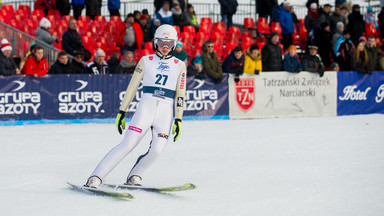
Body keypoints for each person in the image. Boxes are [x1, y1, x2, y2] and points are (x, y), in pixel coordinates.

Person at [85, 24, 187, 188]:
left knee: (157, 150)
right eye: (161, 43)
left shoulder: (179, 64)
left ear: (175, 44)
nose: (165, 47)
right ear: (155, 42)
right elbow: (132, 87)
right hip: (146, 107)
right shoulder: (146, 60)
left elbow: (180, 94)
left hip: (165, 111)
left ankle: (135, 175)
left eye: (169, 43)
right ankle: (95, 177)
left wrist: (179, 119)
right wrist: (122, 111)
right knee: (128, 144)